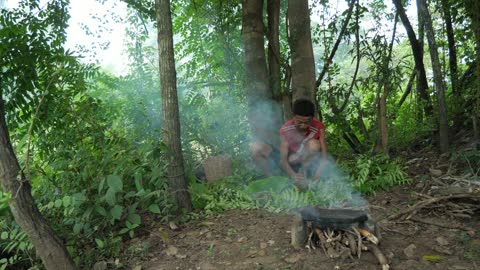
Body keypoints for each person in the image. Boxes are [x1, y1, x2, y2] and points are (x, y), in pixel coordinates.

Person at [250, 99, 327, 184]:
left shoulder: (319, 127)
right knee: (256, 148)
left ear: (312, 118)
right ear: (293, 116)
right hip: (289, 162)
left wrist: (317, 176)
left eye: (307, 122)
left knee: (314, 144)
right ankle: (272, 180)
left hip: (306, 163)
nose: (303, 125)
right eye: (299, 122)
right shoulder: (285, 129)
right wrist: (293, 175)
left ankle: (304, 176)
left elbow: (324, 157)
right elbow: (283, 160)